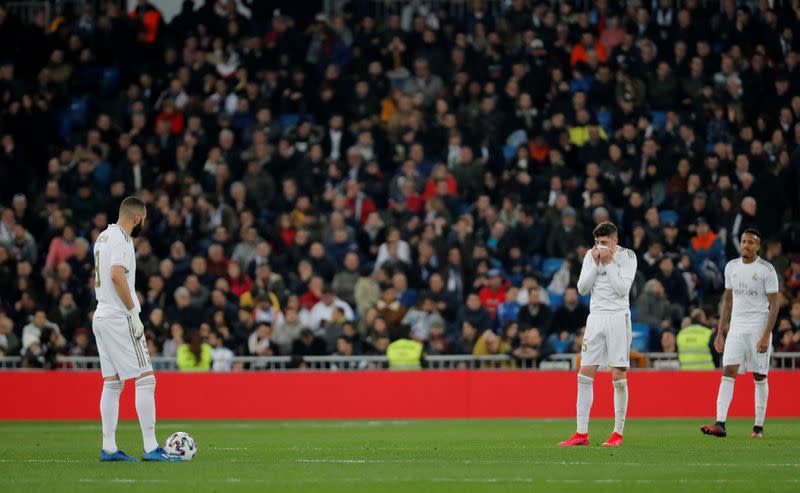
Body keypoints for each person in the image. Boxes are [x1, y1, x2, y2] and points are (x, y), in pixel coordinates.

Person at [91, 197, 179, 461]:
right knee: (146, 379)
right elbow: (117, 275)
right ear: (137, 218)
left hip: (102, 314)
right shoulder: (122, 239)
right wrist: (133, 312)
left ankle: (108, 448)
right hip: (119, 316)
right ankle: (151, 447)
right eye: (145, 218)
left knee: (113, 382)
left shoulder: (103, 237)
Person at [560, 221, 637, 447]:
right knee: (584, 373)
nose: (600, 247)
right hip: (595, 318)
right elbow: (582, 289)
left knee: (618, 375)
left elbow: (622, 289)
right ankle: (581, 433)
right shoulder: (590, 256)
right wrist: (595, 263)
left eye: (604, 243)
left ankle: (617, 434)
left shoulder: (628, 257)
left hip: (618, 317)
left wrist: (609, 263)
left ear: (615, 241)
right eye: (597, 242)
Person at [701, 228, 779, 439]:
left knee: (759, 375)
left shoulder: (766, 269)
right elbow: (728, 301)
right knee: (728, 372)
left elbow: (774, 305)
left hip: (758, 327)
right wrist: (721, 332)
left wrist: (765, 336)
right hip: (736, 327)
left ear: (758, 246)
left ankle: (758, 427)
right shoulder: (731, 267)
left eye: (751, 243)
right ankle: (720, 423)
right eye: (744, 242)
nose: (746, 245)